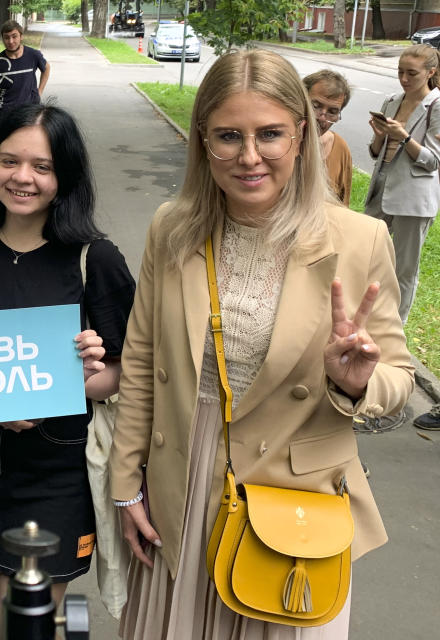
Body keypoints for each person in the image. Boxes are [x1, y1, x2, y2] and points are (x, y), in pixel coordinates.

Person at [109, 49, 414, 639]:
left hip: (293, 506)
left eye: (269, 134)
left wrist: (355, 382)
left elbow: (397, 377)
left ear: (302, 133)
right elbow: (143, 360)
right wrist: (125, 486)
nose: (249, 157)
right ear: (203, 140)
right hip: (185, 483)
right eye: (228, 136)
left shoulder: (359, 239)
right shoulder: (172, 228)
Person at [0, 103, 136, 638]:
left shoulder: (96, 258)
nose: (23, 178)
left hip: (59, 463)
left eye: (42, 167)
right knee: (9, 598)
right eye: (9, 161)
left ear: (64, 176)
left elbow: (126, 371)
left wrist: (67, 382)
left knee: (28, 600)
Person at [365, 44, 440, 325]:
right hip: (381, 188)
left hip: (414, 197)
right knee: (367, 256)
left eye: (412, 73)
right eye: (400, 72)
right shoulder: (392, 100)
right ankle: (364, 317)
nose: (404, 79)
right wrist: (378, 136)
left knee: (404, 270)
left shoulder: (436, 105)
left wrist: (405, 136)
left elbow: (432, 161)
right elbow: (376, 153)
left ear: (430, 72)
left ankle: (395, 329)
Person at [0, 20, 51, 129]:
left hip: (29, 112)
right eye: (6, 37)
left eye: (14, 36)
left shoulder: (33, 55)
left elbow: (47, 68)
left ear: (21, 36)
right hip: (4, 114)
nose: (11, 41)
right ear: (3, 39)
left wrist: (39, 91)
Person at [304, 69, 352, 205]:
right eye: (315, 106)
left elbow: (343, 204)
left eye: (332, 112)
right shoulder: (278, 143)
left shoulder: (340, 149)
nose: (321, 118)